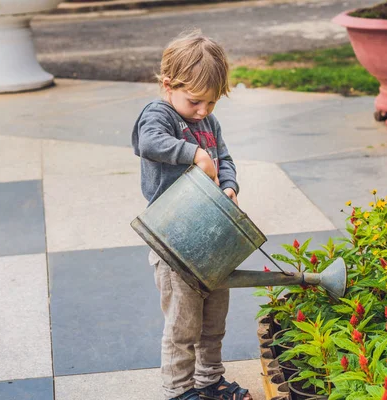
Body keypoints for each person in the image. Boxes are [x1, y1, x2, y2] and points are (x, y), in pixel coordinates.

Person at [131, 30, 251, 400]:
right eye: (196, 101)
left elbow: (225, 159)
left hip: (210, 237)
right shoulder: (159, 114)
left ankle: (209, 379)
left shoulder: (208, 123)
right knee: (183, 325)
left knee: (213, 318)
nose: (203, 111)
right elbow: (147, 142)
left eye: (211, 103)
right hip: (173, 241)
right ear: (168, 85)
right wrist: (193, 154)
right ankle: (179, 390)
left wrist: (228, 185)